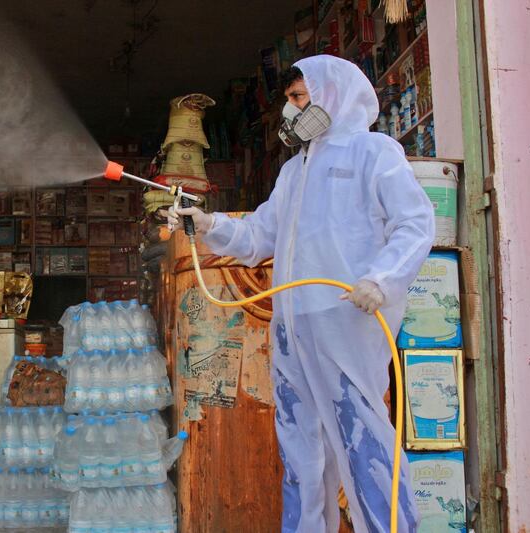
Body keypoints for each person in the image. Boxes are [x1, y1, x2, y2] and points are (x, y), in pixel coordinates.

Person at [166, 55, 433, 532]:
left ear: (332, 95)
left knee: (361, 441)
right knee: (301, 449)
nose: (290, 112)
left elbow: (414, 224)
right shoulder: (293, 173)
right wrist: (207, 225)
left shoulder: (374, 152)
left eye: (297, 99)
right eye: (289, 100)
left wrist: (382, 279)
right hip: (295, 328)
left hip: (348, 318)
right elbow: (256, 239)